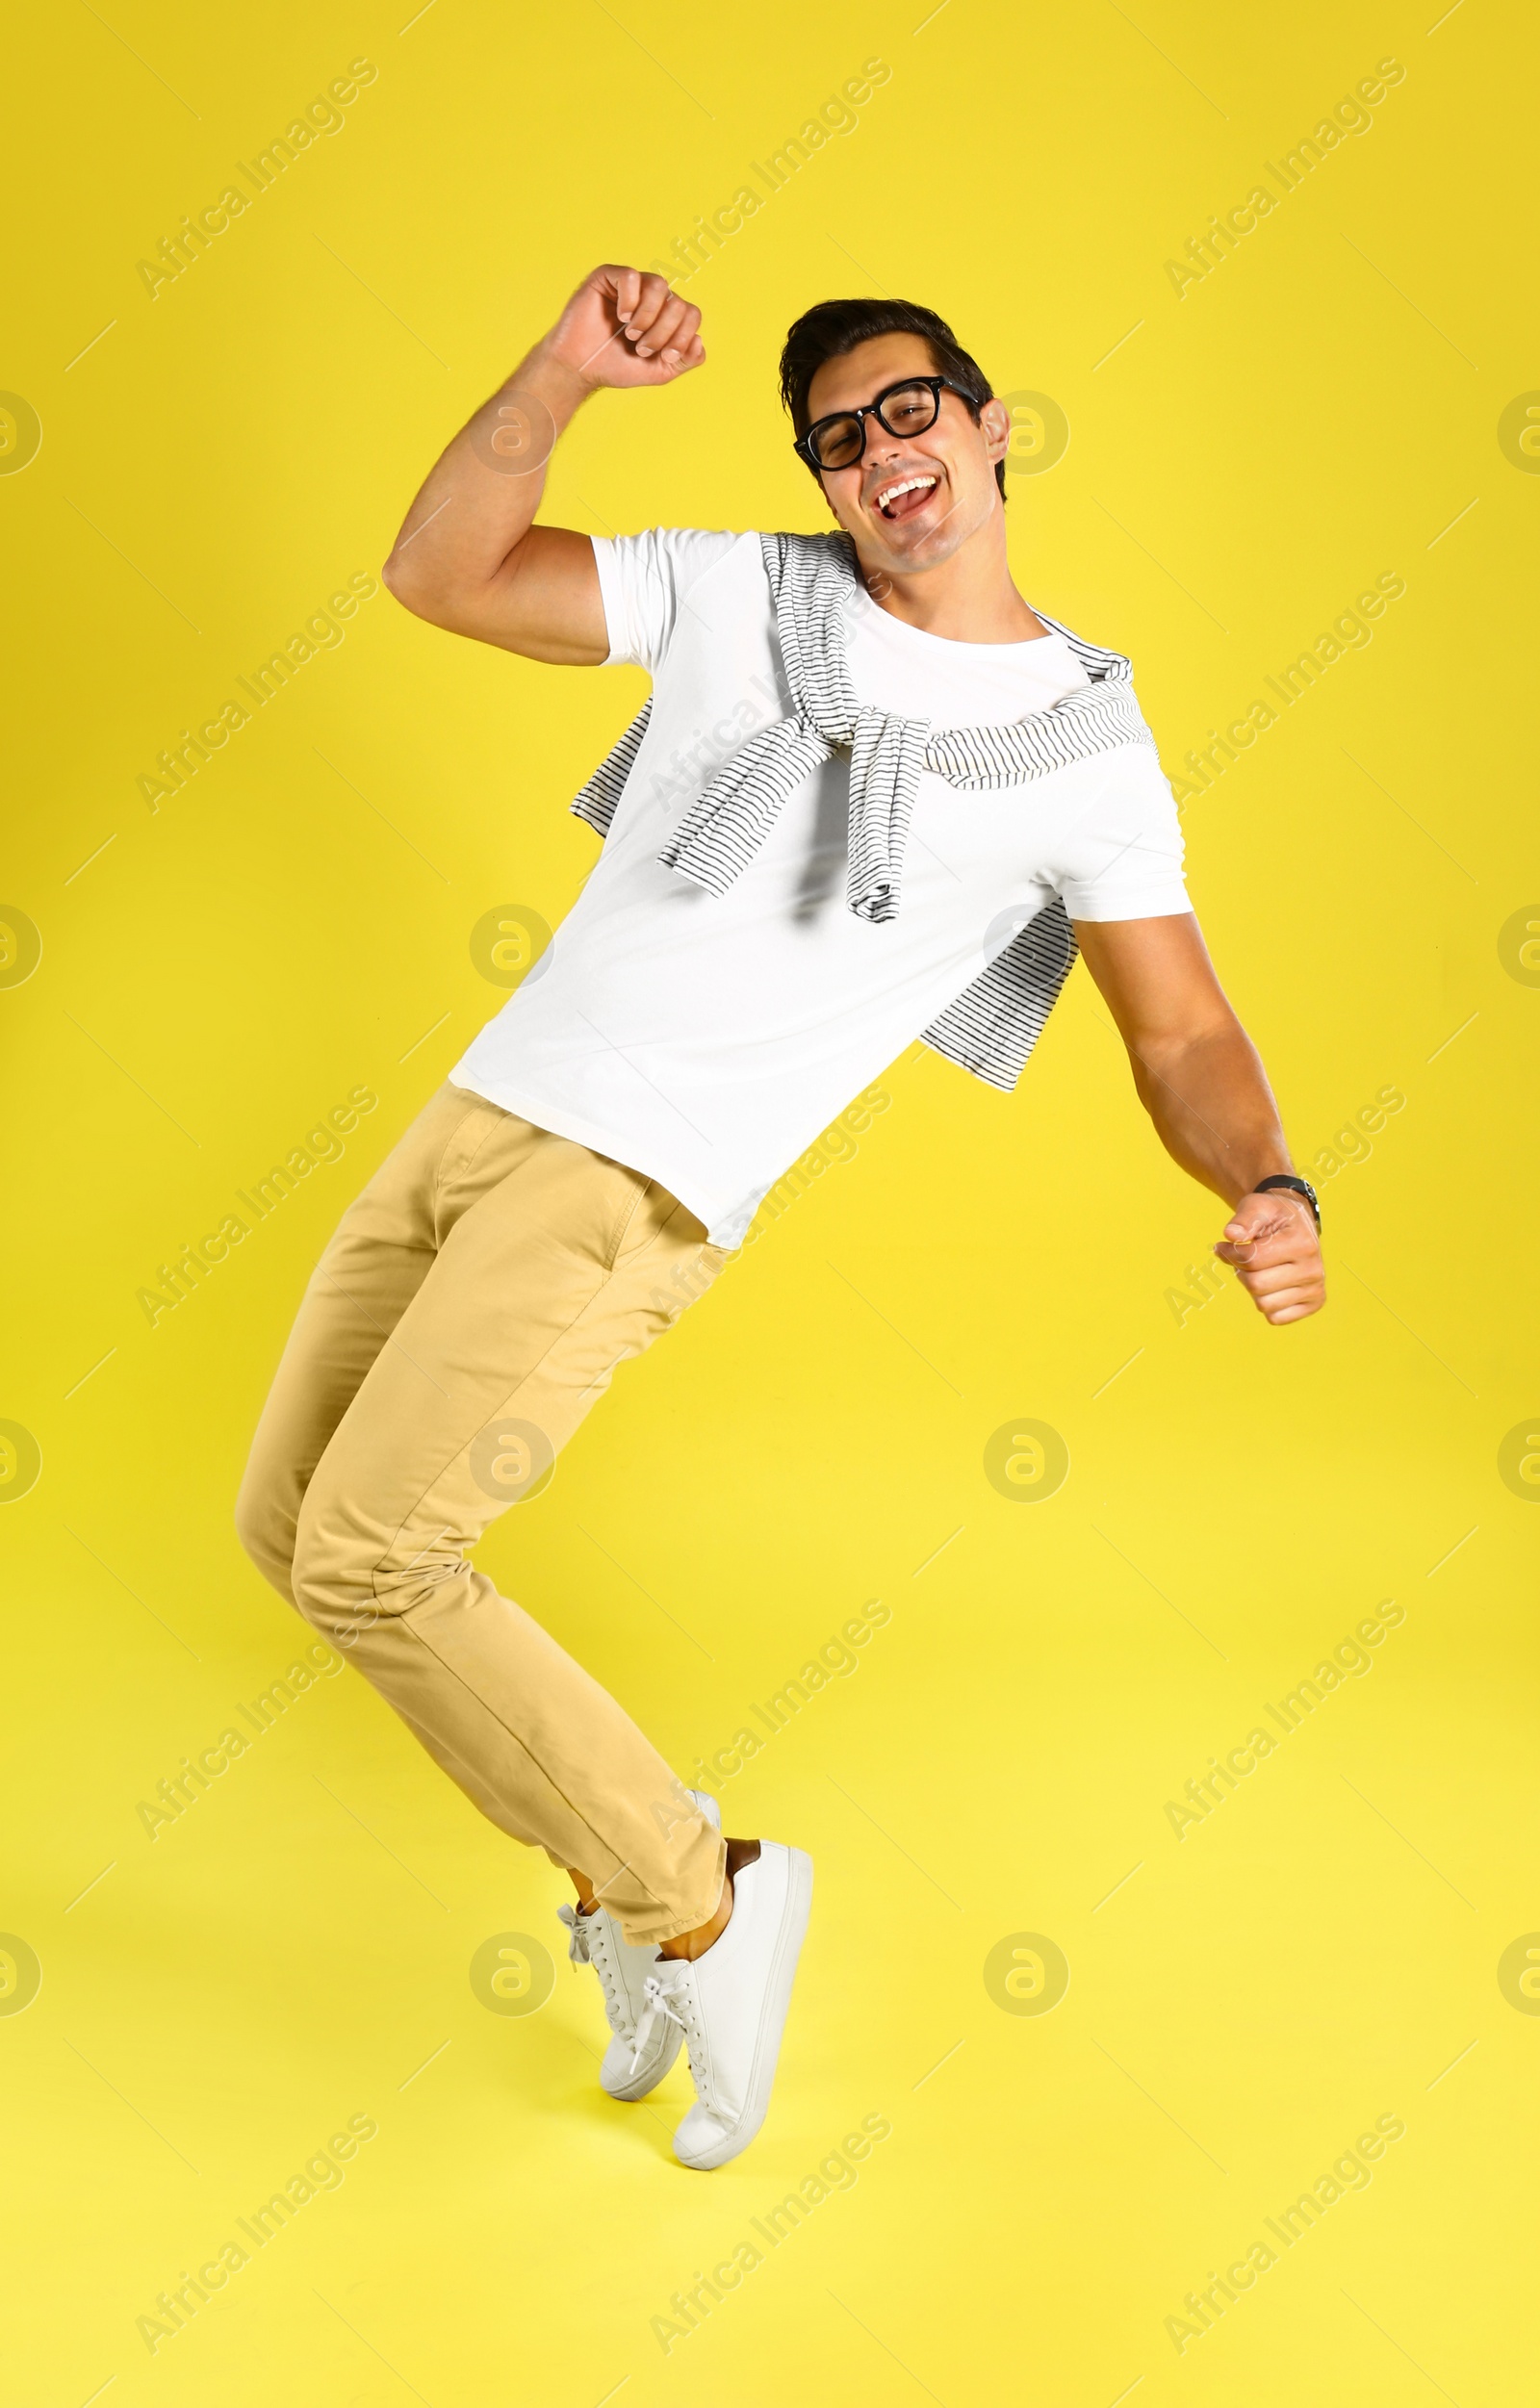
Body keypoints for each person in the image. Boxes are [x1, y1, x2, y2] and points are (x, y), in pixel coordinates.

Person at [235, 263, 1325, 2172]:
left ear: (988, 428)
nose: (876, 457)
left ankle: (699, 1899)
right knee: (285, 1525)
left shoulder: (1082, 752)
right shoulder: (746, 595)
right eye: (835, 440)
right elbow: (440, 573)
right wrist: (564, 374)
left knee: (375, 1557)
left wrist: (1267, 1179)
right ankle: (629, 1881)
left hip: (632, 1181)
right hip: (483, 1112)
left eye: (908, 412)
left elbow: (1182, 1027)